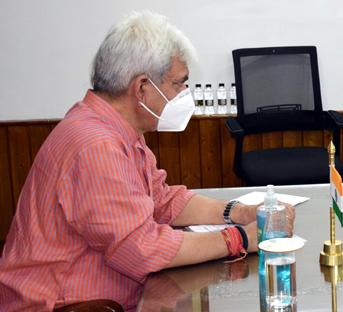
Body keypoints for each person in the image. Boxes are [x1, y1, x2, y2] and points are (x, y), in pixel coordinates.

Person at [0, 12, 294, 311]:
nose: (184, 94)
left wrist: (241, 212)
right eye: (178, 84)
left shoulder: (116, 129)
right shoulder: (96, 145)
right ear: (142, 88)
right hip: (65, 305)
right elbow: (141, 249)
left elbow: (163, 200)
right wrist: (240, 239)